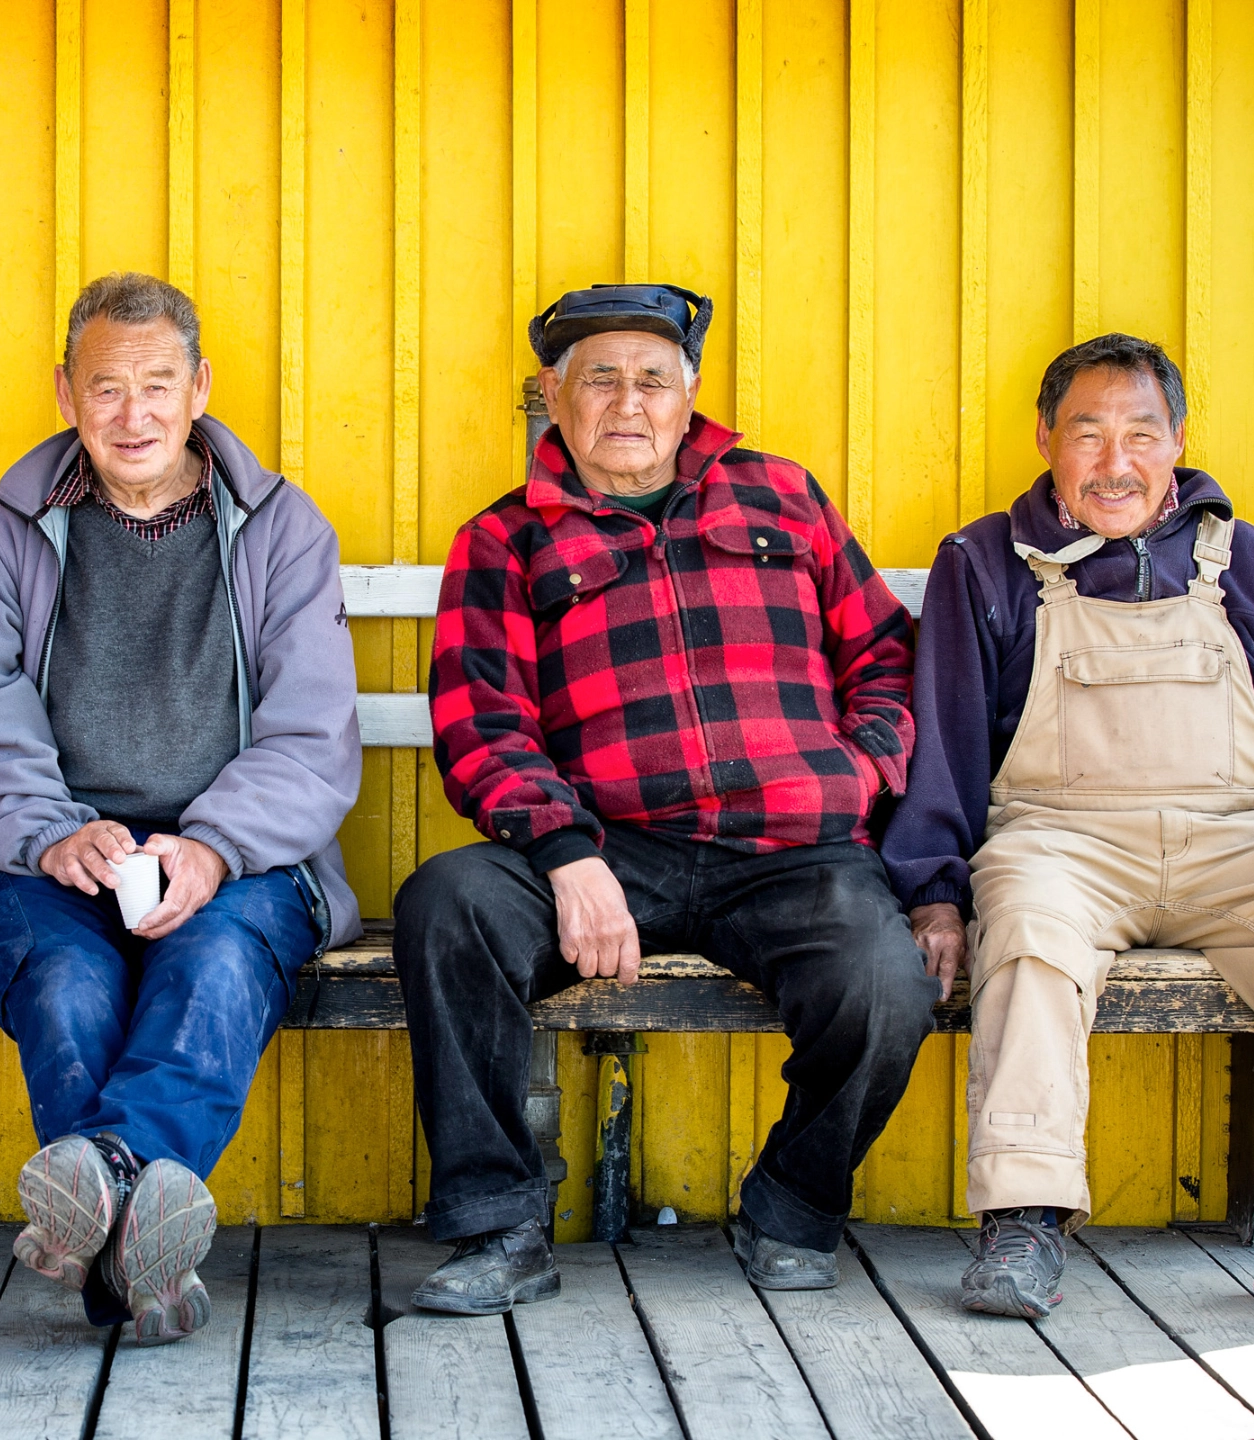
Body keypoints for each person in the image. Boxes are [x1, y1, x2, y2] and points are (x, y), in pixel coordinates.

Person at [395, 283, 938, 1314]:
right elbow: (481, 720)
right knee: (450, 904)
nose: (628, 403)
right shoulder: (507, 538)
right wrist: (565, 853)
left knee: (886, 982)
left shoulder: (782, 496)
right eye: (600, 379)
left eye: (653, 380)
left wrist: (859, 771)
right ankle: (499, 1224)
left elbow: (885, 656)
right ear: (554, 398)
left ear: (689, 399)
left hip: (792, 849)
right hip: (613, 846)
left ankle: (792, 1204)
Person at [0, 272, 362, 1346]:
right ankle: (139, 1263)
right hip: (43, 859)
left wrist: (211, 847)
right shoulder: (3, 529)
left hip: (242, 859)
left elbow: (311, 733)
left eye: (158, 385)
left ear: (200, 388)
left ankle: (108, 1190)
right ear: (65, 391)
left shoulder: (280, 529)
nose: (135, 415)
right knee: (69, 984)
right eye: (107, 388)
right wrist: (49, 832)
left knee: (210, 970)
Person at [883, 333, 1254, 1317]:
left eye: (1139, 435)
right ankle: (1024, 1222)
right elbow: (944, 739)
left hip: (1239, 838)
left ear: (1178, 442)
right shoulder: (985, 561)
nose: (1113, 463)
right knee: (1028, 940)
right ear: (1045, 440)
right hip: (1060, 843)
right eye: (1087, 434)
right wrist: (936, 891)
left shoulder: (1249, 563)